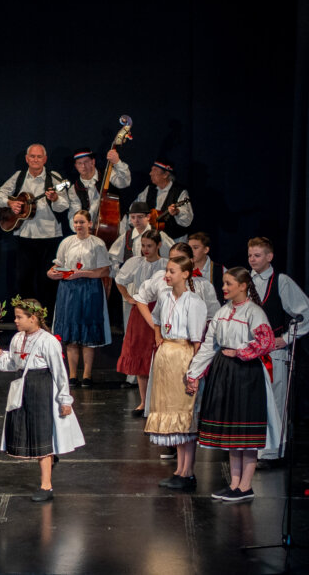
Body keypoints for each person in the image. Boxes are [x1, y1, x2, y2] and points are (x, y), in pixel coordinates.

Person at [186, 267, 279, 503]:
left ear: (242, 286)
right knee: (232, 432)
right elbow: (209, 344)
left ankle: (245, 485)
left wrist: (241, 352)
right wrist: (194, 374)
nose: (224, 287)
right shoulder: (223, 312)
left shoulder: (253, 312)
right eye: (224, 283)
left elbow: (266, 342)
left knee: (245, 431)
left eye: (228, 284)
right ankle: (235, 484)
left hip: (246, 374)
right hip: (225, 372)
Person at [0, 297, 85, 501]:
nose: (16, 320)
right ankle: (48, 464)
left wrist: (65, 400)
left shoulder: (48, 341)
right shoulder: (17, 338)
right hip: (24, 387)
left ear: (33, 318)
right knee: (29, 431)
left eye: (19, 317)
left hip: (42, 388)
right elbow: (13, 364)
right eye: (15, 317)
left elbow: (59, 372)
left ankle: (46, 486)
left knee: (42, 434)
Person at [246, 236, 309, 462]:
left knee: (274, 402)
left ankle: (272, 452)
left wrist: (285, 339)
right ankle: (251, 447)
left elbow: (306, 313)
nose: (253, 259)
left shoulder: (281, 281)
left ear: (269, 256)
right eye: (250, 255)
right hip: (248, 351)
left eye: (257, 255)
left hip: (273, 353)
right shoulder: (244, 280)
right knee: (251, 400)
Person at [144, 256, 206, 491]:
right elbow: (157, 318)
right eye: (167, 271)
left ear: (185, 274)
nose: (167, 275)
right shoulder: (165, 296)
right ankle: (179, 469)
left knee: (185, 414)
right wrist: (159, 337)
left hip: (183, 356)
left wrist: (195, 373)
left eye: (172, 271)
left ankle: (188, 472)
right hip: (166, 356)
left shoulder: (194, 302)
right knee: (171, 413)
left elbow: (198, 341)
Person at [0, 144, 70, 310]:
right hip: (25, 236)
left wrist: (55, 198)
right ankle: (26, 319)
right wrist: (10, 203)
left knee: (48, 280)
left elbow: (64, 205)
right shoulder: (19, 176)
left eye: (39, 157)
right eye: (32, 157)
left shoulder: (54, 178)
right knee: (23, 280)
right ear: (27, 159)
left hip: (50, 237)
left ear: (45, 159)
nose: (35, 160)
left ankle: (47, 320)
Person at [47, 210, 112, 388]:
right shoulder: (67, 242)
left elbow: (104, 270)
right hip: (69, 290)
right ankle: (73, 374)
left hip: (89, 288)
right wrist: (52, 272)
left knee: (87, 332)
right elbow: (58, 264)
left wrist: (82, 273)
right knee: (71, 332)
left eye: (82, 222)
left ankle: (87, 374)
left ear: (90, 224)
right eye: (76, 222)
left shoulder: (97, 244)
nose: (78, 225)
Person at [114, 230, 167, 414]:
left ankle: (158, 402)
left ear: (158, 245)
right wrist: (128, 297)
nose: (145, 249)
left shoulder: (165, 264)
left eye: (149, 246)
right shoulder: (135, 263)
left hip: (159, 309)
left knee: (157, 354)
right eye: (143, 245)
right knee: (140, 354)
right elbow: (119, 280)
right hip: (139, 311)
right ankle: (144, 401)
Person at [65, 147, 131, 232]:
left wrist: (117, 162)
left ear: (93, 162)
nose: (83, 166)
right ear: (76, 166)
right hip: (92, 231)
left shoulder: (107, 174)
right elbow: (75, 213)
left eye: (86, 162)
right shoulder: (74, 189)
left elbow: (124, 183)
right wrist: (81, 228)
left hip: (117, 225)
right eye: (79, 163)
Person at [130, 159, 194, 242]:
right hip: (153, 241)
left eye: (154, 170)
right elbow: (135, 208)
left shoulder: (180, 192)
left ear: (165, 174)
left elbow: (187, 219)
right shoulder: (149, 189)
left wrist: (177, 211)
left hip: (174, 241)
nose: (150, 173)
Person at [108, 201, 173, 280]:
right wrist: (120, 275)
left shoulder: (159, 235)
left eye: (140, 217)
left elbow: (173, 257)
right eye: (133, 217)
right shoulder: (127, 236)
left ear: (148, 217)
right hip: (133, 282)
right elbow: (113, 257)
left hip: (155, 280)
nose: (136, 220)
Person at [188, 232, 224, 303]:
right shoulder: (184, 269)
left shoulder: (220, 270)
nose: (191, 251)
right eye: (189, 248)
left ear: (206, 250)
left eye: (195, 248)